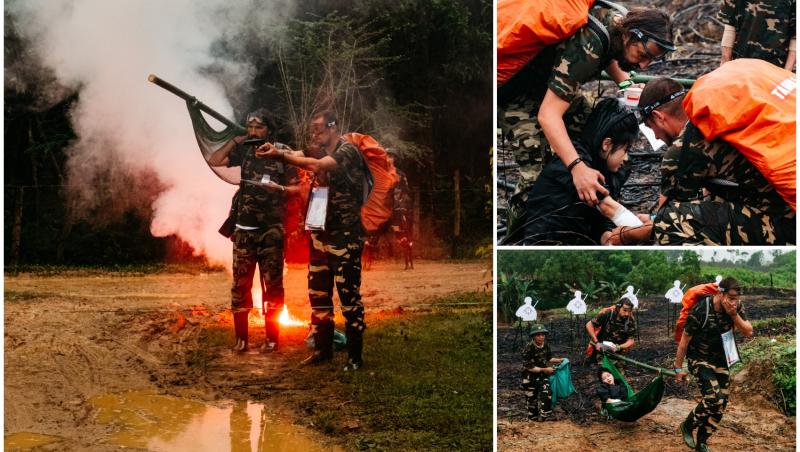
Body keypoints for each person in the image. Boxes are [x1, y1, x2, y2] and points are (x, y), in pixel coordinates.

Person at [499, 4, 674, 231]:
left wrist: (625, 83)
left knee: (610, 127)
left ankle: (599, 211)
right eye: (642, 56)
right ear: (630, 34)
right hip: (518, 95)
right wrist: (577, 168)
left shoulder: (616, 22)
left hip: (548, 88)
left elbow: (609, 51)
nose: (643, 65)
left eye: (651, 60)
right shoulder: (588, 45)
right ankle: (518, 235)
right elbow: (549, 116)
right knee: (537, 178)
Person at [604, 77, 796, 245]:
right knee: (709, 196)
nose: (655, 135)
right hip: (786, 201)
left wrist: (625, 236)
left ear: (658, 117)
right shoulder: (716, 115)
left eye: (650, 126)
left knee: (673, 220)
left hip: (785, 226)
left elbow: (661, 222)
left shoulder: (685, 148)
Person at [259, 110, 367, 371]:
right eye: (312, 128)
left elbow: (318, 166)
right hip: (319, 234)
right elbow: (299, 156)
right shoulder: (316, 149)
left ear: (333, 127)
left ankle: (355, 357)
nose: (314, 133)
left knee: (349, 297)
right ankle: (322, 350)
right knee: (318, 295)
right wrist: (278, 150)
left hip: (345, 235)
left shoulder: (348, 151)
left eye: (319, 128)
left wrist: (279, 155)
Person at [207, 109, 300, 353]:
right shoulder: (244, 149)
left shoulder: (283, 152)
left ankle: (272, 338)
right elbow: (215, 161)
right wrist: (234, 140)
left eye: (259, 127)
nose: (253, 131)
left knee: (273, 285)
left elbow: (298, 188)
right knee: (240, 285)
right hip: (244, 230)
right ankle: (242, 339)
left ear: (269, 129)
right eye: (250, 126)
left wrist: (279, 188)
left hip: (271, 230)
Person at [504, 98, 640, 245]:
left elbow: (598, 217)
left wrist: (606, 235)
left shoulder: (608, 168)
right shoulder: (573, 162)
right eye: (625, 149)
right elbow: (609, 208)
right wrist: (644, 231)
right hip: (548, 242)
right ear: (607, 144)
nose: (626, 158)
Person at [674, 277, 753, 452]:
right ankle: (687, 425)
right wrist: (679, 368)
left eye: (737, 299)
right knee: (713, 398)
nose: (734, 302)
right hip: (699, 359)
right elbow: (684, 341)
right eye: (731, 298)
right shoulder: (701, 309)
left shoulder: (734, 308)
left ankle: (702, 441)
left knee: (721, 403)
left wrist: (733, 314)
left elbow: (748, 331)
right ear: (720, 293)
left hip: (721, 360)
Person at [717, 0, 796, 70]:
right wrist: (725, 65)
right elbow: (730, 27)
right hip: (740, 65)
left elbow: (795, 38)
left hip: (775, 69)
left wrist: (786, 72)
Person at [521, 324, 564, 421]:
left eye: (543, 335)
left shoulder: (546, 346)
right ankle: (533, 419)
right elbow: (529, 367)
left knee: (547, 392)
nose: (541, 337)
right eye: (538, 335)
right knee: (531, 398)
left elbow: (548, 358)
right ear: (533, 336)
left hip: (542, 375)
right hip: (529, 376)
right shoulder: (528, 349)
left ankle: (545, 416)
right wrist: (545, 369)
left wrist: (558, 360)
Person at [585, 298, 636, 365]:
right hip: (602, 349)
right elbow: (589, 325)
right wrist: (596, 342)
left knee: (618, 372)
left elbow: (631, 340)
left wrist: (618, 347)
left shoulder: (630, 320)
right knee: (605, 371)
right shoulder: (608, 314)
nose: (626, 314)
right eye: (624, 310)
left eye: (629, 311)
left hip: (618, 352)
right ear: (618, 308)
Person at [386, 149, 413, 269]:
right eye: (386, 156)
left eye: (390, 157)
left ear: (394, 159)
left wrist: (401, 205)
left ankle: (407, 256)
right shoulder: (378, 173)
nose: (388, 159)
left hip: (396, 208)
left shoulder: (401, 174)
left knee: (400, 233)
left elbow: (405, 192)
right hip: (382, 208)